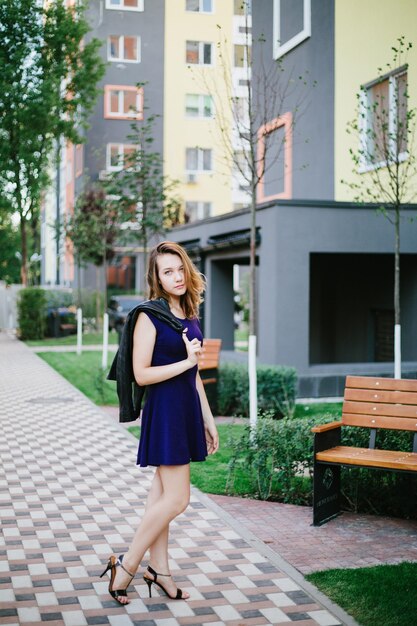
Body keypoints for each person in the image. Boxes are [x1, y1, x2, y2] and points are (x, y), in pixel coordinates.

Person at [100, 241, 219, 604]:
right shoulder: (149, 316)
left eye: (180, 268)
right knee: (178, 499)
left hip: (185, 409)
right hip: (165, 412)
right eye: (168, 271)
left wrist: (208, 418)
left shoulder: (189, 310)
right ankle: (128, 563)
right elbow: (141, 373)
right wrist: (185, 362)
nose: (177, 276)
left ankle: (160, 570)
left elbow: (195, 373)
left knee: (162, 501)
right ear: (157, 277)